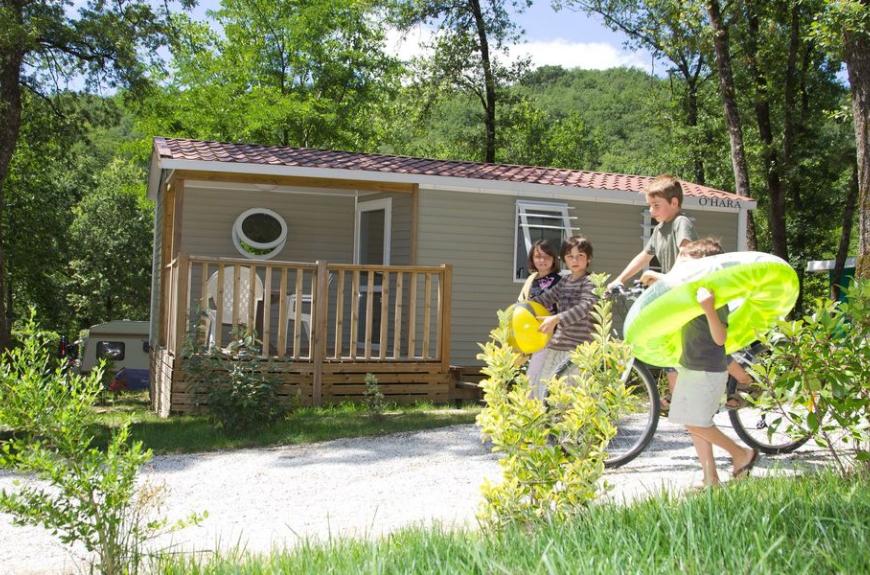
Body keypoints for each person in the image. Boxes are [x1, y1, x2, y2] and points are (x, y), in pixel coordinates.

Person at [667, 238, 759, 487]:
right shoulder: (691, 293)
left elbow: (720, 339)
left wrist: (708, 308)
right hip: (690, 366)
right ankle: (711, 478)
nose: (683, 272)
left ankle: (742, 454)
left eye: (688, 266)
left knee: (696, 422)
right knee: (694, 424)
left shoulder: (714, 297)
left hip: (708, 370)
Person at [606, 175, 697, 408]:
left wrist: (666, 277)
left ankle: (741, 379)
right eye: (650, 205)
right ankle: (680, 402)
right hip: (673, 294)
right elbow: (643, 257)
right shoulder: (659, 230)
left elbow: (685, 253)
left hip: (689, 293)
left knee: (696, 345)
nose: (651, 210)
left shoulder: (681, 223)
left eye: (656, 205)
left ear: (674, 203)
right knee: (667, 342)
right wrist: (619, 279)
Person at [525, 236, 597, 400]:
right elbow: (546, 298)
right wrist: (525, 307)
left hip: (579, 347)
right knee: (543, 386)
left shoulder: (590, 282)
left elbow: (585, 307)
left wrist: (556, 319)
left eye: (580, 256)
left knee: (572, 391)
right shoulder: (565, 281)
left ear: (589, 259)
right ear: (564, 259)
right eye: (570, 256)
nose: (575, 260)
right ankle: (545, 421)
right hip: (558, 344)